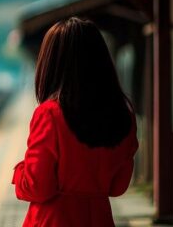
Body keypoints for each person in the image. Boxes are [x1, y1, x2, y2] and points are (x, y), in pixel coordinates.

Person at [12, 17, 138, 226]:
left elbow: (37, 186)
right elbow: (118, 186)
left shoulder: (50, 114)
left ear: (51, 64)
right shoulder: (123, 114)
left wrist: (19, 173)